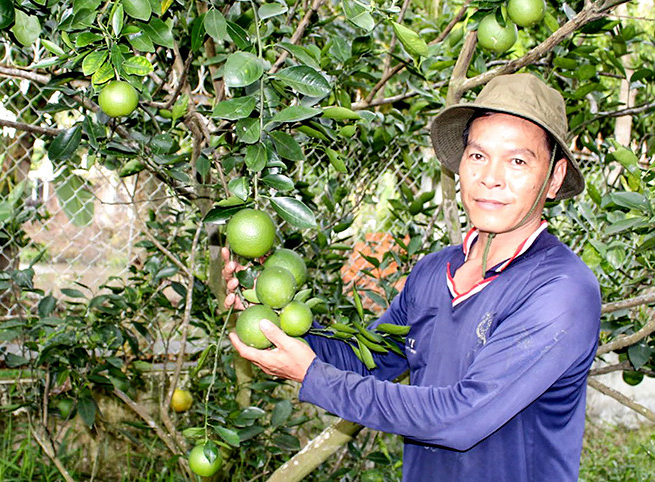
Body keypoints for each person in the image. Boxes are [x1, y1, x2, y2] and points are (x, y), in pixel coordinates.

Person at [225, 73, 601, 481]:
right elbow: (368, 361)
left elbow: (459, 419)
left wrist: (314, 377)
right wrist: (269, 315)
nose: (490, 177)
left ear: (555, 177)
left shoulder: (561, 291)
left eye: (517, 161)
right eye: (477, 156)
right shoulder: (434, 273)